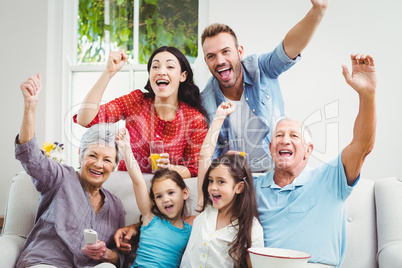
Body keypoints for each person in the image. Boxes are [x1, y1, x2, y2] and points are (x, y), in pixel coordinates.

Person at [254, 53, 377, 267]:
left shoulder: (330, 178)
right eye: (278, 135)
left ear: (308, 150)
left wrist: (367, 96)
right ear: (270, 148)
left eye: (294, 136)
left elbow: (361, 146)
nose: (285, 140)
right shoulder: (253, 187)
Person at [200, 0, 328, 173]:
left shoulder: (261, 69)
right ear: (206, 61)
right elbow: (210, 155)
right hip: (239, 178)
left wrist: (317, 10)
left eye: (225, 51)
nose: (220, 61)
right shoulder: (206, 100)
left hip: (278, 170)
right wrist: (222, 162)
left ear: (239, 52)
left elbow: (287, 49)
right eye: (211, 56)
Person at [15, 73, 126, 267]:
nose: (99, 164)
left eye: (107, 159)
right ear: (80, 155)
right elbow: (30, 156)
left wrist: (107, 254)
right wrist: (29, 107)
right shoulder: (60, 177)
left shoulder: (116, 206)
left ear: (114, 166)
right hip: (46, 261)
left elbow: (121, 255)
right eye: (92, 155)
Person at [74, 46, 208, 179]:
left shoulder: (193, 118)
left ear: (182, 76)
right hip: (126, 186)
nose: (161, 71)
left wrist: (171, 169)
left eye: (170, 67)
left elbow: (194, 169)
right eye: (155, 67)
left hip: (165, 193)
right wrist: (108, 72)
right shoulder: (136, 101)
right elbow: (85, 119)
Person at [180, 102, 264, 268]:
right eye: (211, 181)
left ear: (239, 187)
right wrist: (219, 117)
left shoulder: (250, 228)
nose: (213, 187)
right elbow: (204, 155)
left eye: (221, 182)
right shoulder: (206, 207)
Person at [114, 128, 191, 267]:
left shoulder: (190, 229)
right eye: (159, 196)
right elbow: (137, 180)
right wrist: (125, 148)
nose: (165, 199)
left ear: (185, 193)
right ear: (154, 200)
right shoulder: (150, 217)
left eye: (171, 193)